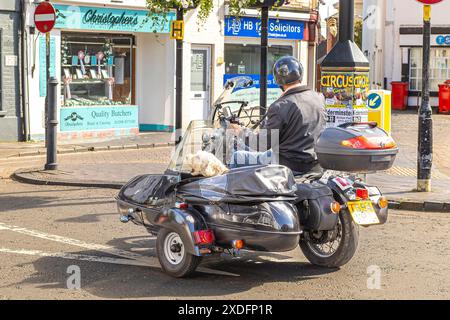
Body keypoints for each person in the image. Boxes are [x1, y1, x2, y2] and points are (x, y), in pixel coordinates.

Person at [229, 56, 327, 175]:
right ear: (300, 75)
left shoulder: (280, 105)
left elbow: (262, 145)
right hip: (313, 163)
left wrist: (240, 131)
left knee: (236, 156)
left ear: (278, 79)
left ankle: (237, 192)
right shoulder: (318, 97)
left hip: (287, 164)